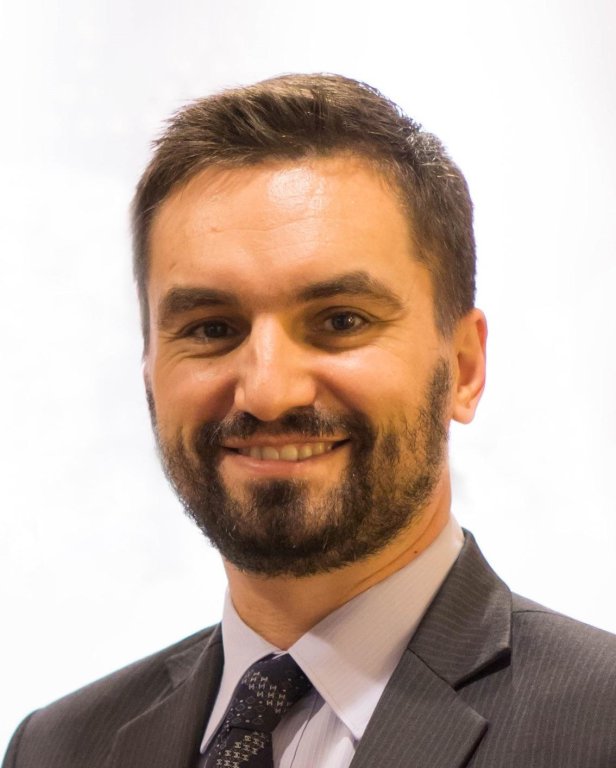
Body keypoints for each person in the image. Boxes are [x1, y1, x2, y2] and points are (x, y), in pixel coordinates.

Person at [4, 73, 616, 768]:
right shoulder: (56, 748)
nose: (268, 392)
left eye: (340, 321)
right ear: (149, 367)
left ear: (465, 367)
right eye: (211, 328)